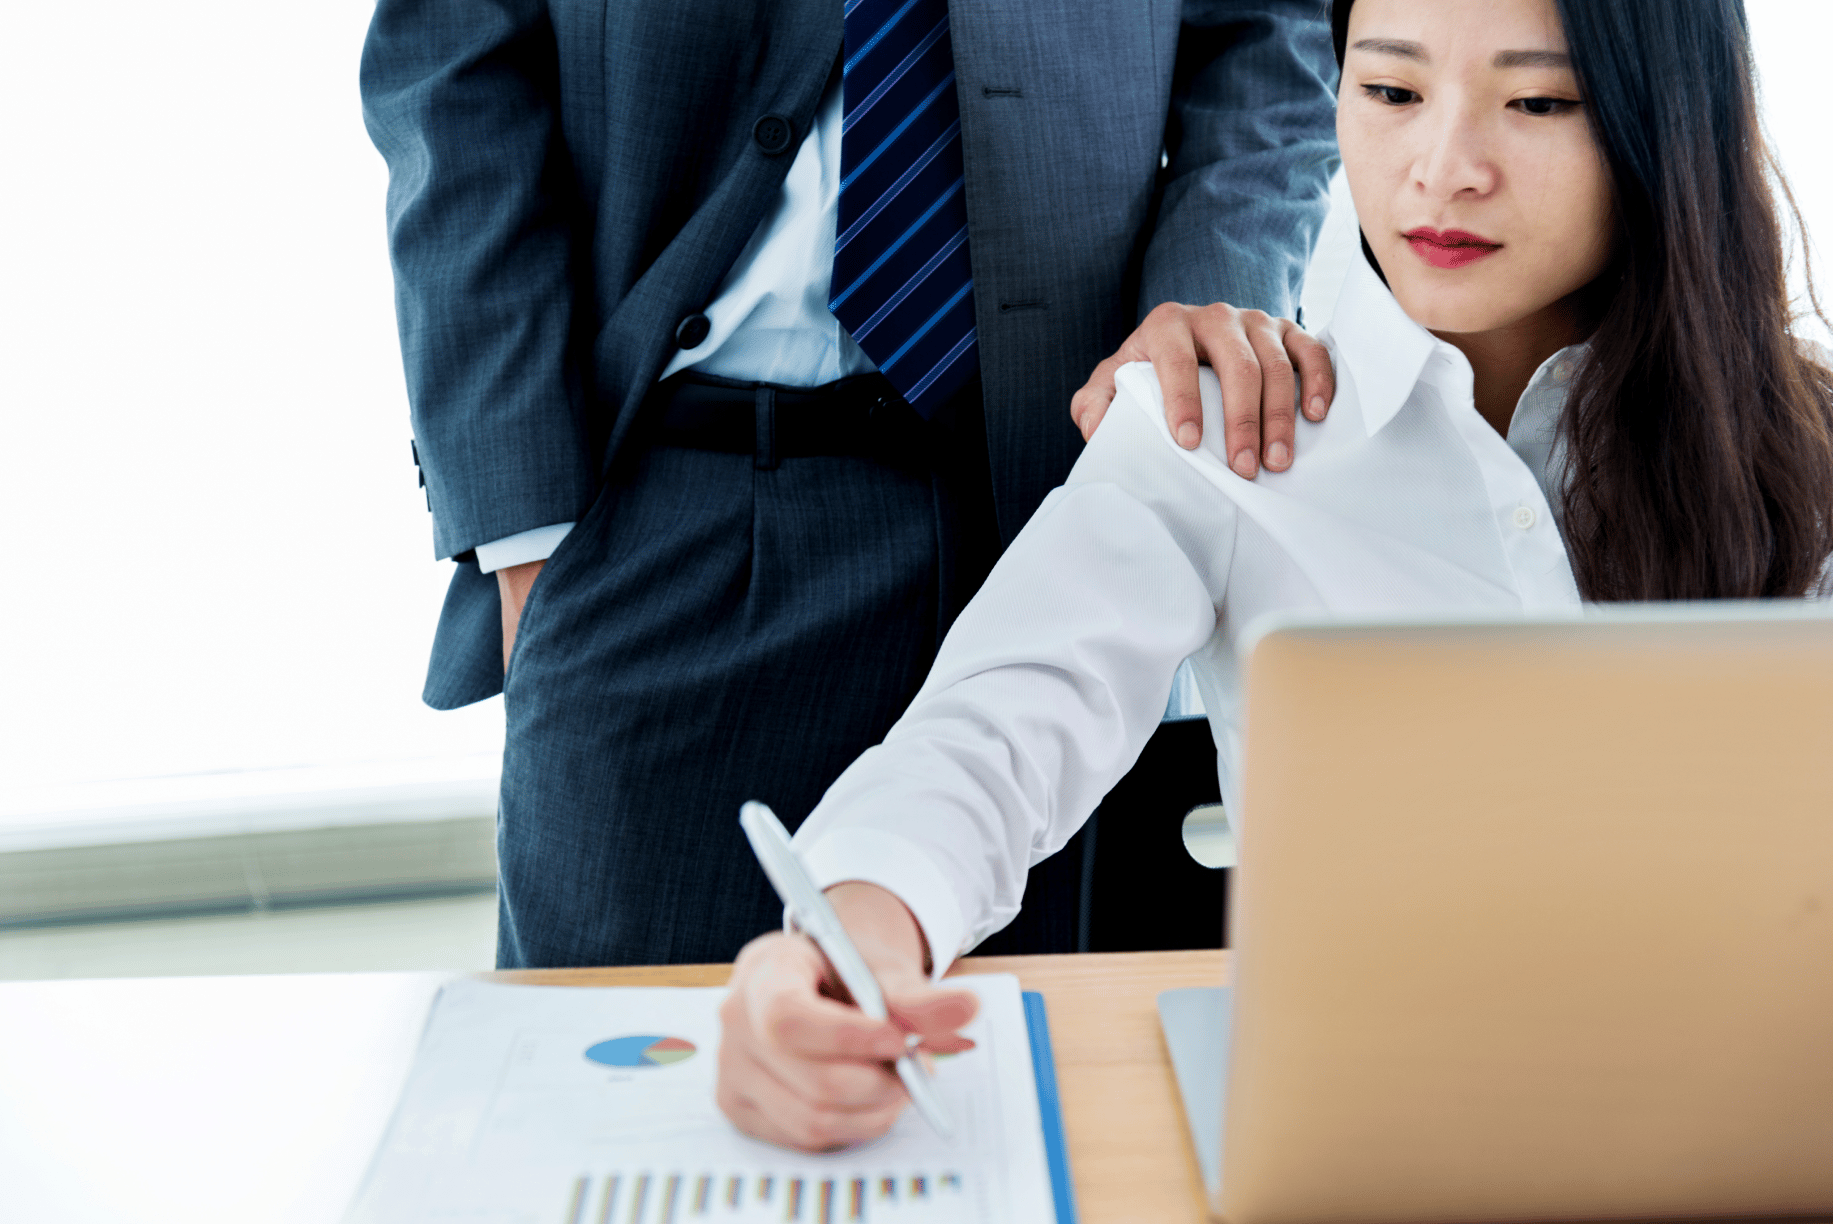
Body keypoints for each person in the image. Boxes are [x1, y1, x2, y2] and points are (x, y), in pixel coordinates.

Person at [714, 0, 1833, 1151]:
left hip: (1748, 1132)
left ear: (1667, 126)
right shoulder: (1230, 424)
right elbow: (991, 734)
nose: (1441, 172)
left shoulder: (1806, 450)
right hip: (1377, 1148)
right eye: (1391, 93)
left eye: (1537, 102)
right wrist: (849, 942)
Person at [360, 1, 1344, 969]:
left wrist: (1197, 343)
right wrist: (528, 542)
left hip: (1057, 507)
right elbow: (454, 65)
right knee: (629, 1085)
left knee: (1035, 1094)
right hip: (669, 518)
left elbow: (1267, 43)